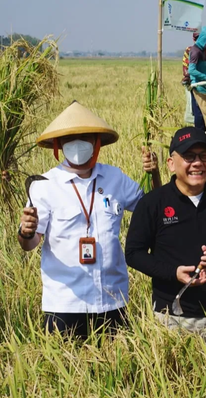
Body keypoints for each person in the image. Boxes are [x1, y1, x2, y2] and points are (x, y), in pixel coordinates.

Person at [18, 100, 159, 339]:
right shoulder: (45, 185)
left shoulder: (115, 178)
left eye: (85, 136)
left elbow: (153, 210)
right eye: (70, 138)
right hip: (65, 303)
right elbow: (29, 244)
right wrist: (27, 232)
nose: (78, 143)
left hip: (112, 300)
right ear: (58, 144)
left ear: (97, 143)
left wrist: (154, 174)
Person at [125, 126, 206, 342]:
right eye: (189, 156)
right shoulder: (153, 203)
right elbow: (133, 253)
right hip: (170, 318)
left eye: (204, 155)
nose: (197, 162)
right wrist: (173, 272)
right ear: (171, 163)